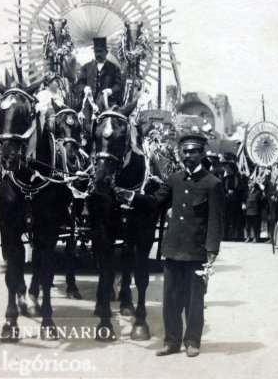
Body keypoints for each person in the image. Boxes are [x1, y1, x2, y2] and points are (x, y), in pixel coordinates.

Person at [116, 129, 224, 357]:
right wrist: (131, 196)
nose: (189, 156)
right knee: (171, 299)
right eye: (185, 152)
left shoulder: (212, 183)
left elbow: (216, 220)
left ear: (203, 153)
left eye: (194, 151)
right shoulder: (175, 179)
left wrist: (212, 250)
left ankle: (192, 342)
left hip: (197, 251)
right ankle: (171, 342)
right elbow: (155, 202)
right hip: (173, 249)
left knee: (194, 301)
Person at [75, 37, 124, 109]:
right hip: (89, 105)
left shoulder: (113, 68)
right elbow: (79, 84)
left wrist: (110, 91)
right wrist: (85, 88)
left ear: (106, 52)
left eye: (101, 51)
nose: (98, 54)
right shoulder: (86, 67)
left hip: (107, 104)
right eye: (96, 51)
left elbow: (119, 85)